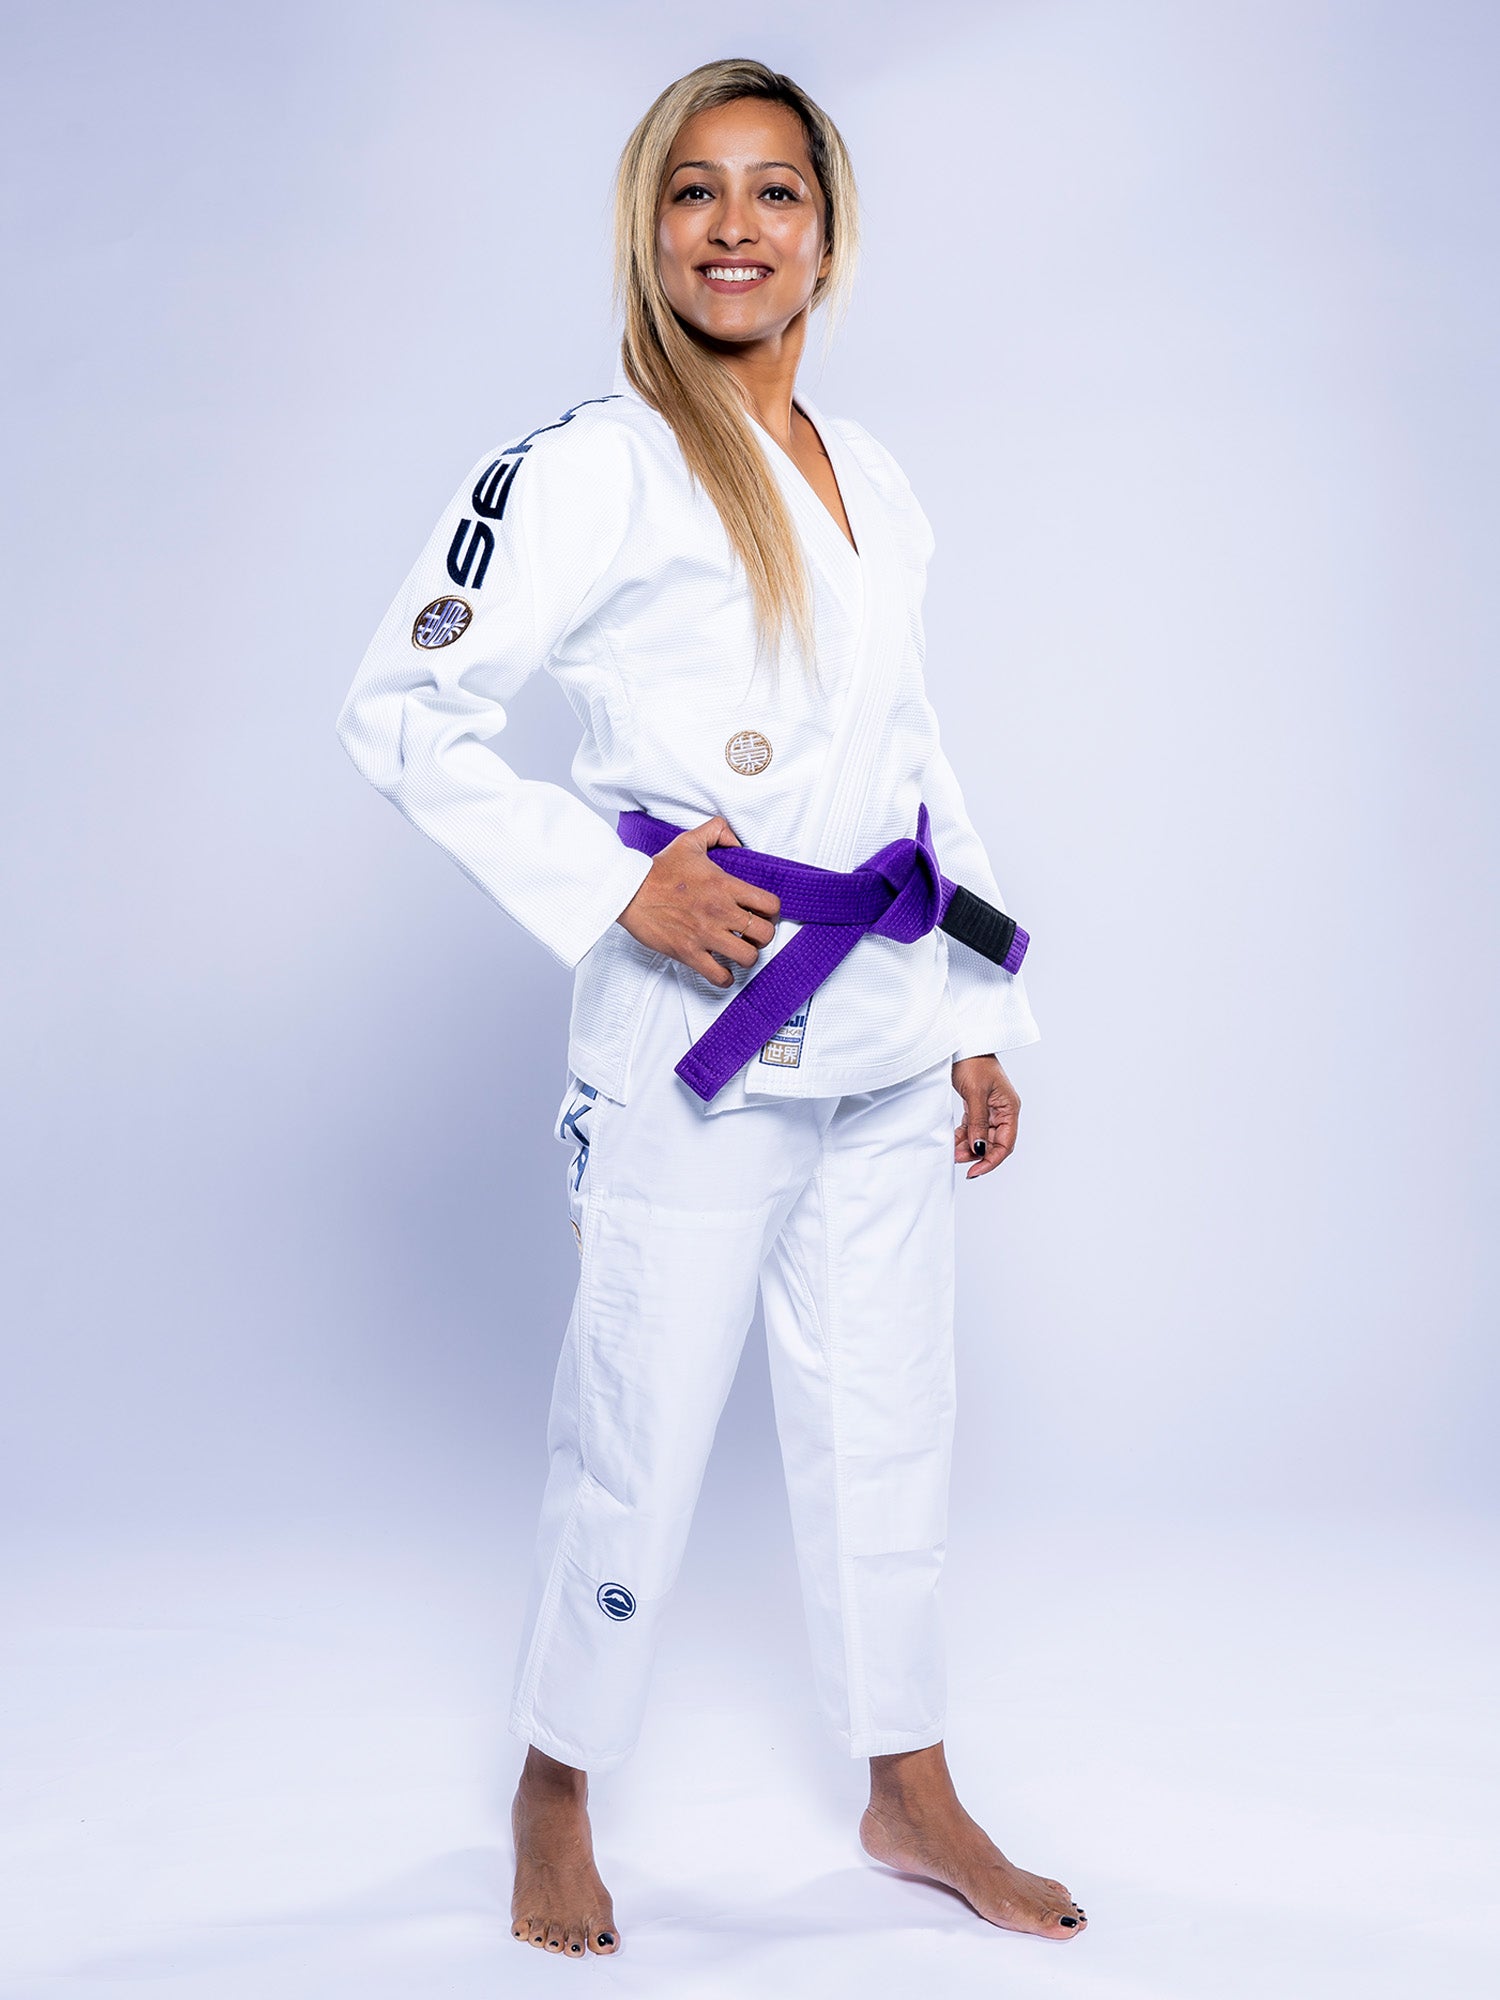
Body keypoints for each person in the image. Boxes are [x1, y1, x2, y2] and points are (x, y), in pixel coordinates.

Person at [337, 56, 1086, 1960]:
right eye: (694, 192)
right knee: (640, 1424)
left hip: (887, 1021)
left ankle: (905, 1786)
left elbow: (912, 759)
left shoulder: (878, 475)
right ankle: (554, 1783)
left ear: (828, 233)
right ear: (645, 227)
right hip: (699, 1029)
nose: (732, 227)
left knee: (892, 1420)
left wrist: (981, 1006)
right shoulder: (591, 463)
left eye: (771, 193)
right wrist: (620, 889)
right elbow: (398, 713)